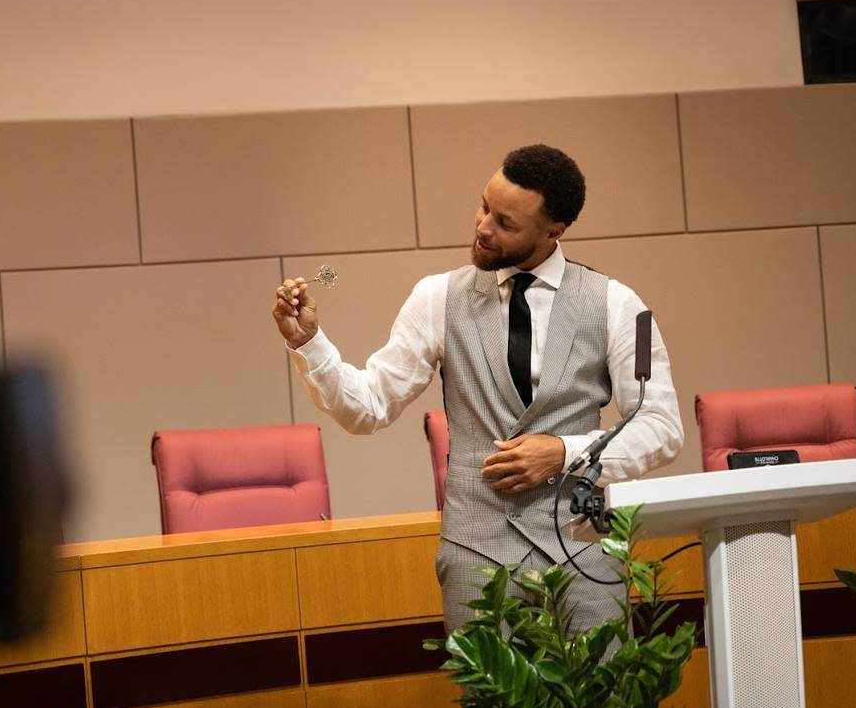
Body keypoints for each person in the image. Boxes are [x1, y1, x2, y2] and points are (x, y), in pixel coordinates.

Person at [271, 144, 683, 633]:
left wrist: (563, 452)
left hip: (584, 552)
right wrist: (310, 344)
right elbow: (369, 407)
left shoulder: (616, 303)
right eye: (484, 206)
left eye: (506, 223)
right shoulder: (436, 298)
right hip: (474, 554)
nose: (484, 227)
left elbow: (660, 426)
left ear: (554, 231)